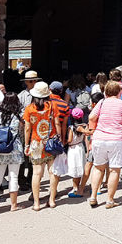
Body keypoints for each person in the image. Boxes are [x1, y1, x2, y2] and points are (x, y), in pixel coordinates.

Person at [87, 80, 122, 209]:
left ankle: (93, 197)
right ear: (119, 92)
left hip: (99, 138)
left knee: (98, 168)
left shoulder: (101, 102)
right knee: (114, 170)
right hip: (117, 139)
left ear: (105, 92)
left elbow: (91, 117)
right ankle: (110, 200)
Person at [22, 81, 58, 211]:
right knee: (52, 171)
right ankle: (52, 200)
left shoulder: (29, 109)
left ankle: (36, 203)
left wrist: (26, 145)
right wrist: (58, 136)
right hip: (50, 142)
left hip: (36, 143)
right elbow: (57, 123)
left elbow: (27, 128)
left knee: (36, 173)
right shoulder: (52, 106)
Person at [0, 92, 24, 213]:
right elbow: (16, 132)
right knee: (13, 177)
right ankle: (13, 205)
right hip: (14, 149)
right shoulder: (16, 117)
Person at [47, 80, 70, 208]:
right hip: (56, 139)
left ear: (50, 89)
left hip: (42, 137)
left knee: (38, 170)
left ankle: (36, 195)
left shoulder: (43, 102)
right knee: (54, 169)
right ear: (61, 91)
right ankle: (52, 196)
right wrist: (62, 139)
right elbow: (64, 124)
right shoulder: (64, 105)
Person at [66, 107, 87, 198]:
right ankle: (77, 186)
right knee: (79, 168)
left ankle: (75, 188)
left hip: (73, 149)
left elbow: (70, 140)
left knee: (74, 169)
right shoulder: (83, 126)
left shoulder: (71, 128)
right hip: (80, 147)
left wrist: (65, 141)